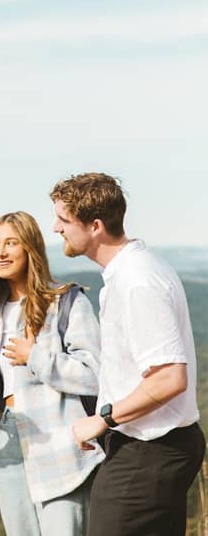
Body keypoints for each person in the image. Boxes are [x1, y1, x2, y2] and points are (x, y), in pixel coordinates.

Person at [50, 172, 205, 536]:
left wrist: (103, 419)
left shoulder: (138, 279)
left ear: (96, 226)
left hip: (149, 451)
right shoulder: (131, 272)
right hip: (153, 448)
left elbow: (170, 377)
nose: (55, 227)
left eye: (63, 219)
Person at [0, 211, 103, 536]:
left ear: (30, 247)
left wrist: (35, 357)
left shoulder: (67, 302)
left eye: (10, 243)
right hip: (8, 441)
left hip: (61, 444)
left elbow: (95, 374)